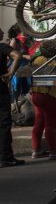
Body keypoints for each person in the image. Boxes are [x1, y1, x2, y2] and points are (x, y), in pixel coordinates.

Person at [29, 56, 56, 160]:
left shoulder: (38, 59)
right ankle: (53, 151)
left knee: (38, 123)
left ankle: (36, 150)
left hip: (36, 95)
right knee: (50, 125)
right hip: (50, 96)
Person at [0, 34, 24, 168]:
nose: (3, 33)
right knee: (4, 124)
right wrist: (10, 73)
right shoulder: (2, 47)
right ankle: (6, 158)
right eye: (0, 31)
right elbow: (18, 56)